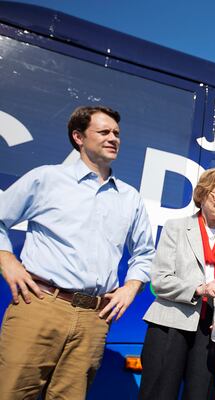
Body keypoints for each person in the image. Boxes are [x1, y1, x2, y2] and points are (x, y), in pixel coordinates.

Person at [0, 105, 155, 399]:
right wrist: (7, 260)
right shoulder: (46, 179)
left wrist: (131, 287)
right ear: (78, 136)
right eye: (104, 132)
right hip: (40, 305)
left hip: (93, 318)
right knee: (12, 392)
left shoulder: (129, 197)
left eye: (117, 134)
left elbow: (144, 253)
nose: (113, 138)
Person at [139, 167, 215, 400]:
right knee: (158, 394)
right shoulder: (176, 227)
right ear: (203, 193)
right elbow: (160, 280)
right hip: (171, 325)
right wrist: (200, 289)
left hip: (212, 332)